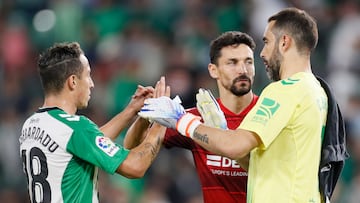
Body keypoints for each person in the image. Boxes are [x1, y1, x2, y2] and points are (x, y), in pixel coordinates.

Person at [139, 8, 333, 203]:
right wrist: (221, 132)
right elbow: (269, 166)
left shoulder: (284, 91)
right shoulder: (316, 90)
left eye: (266, 42)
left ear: (284, 42)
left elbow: (233, 146)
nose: (263, 53)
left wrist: (180, 120)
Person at [19, 42, 168, 203]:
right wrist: (160, 119)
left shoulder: (31, 124)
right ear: (73, 81)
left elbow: (86, 144)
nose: (91, 83)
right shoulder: (76, 128)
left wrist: (130, 111)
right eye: (88, 75)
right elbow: (135, 167)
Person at [125, 31, 258, 202]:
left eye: (249, 62)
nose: (243, 70)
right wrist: (147, 114)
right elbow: (132, 147)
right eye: (232, 63)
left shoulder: (268, 114)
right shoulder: (194, 118)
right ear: (213, 70)